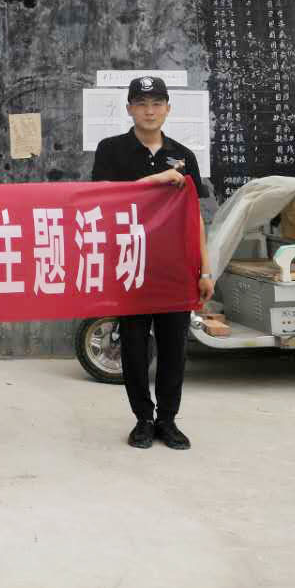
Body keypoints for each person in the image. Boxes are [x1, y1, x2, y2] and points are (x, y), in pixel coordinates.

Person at [90, 76, 214, 451]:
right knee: (134, 347)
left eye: (157, 103)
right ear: (129, 108)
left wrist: (205, 269)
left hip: (174, 268)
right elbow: (102, 200)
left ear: (168, 109)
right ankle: (143, 419)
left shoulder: (183, 155)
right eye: (142, 103)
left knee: (174, 347)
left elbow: (195, 218)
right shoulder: (111, 150)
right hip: (129, 264)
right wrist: (155, 179)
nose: (149, 110)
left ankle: (168, 420)